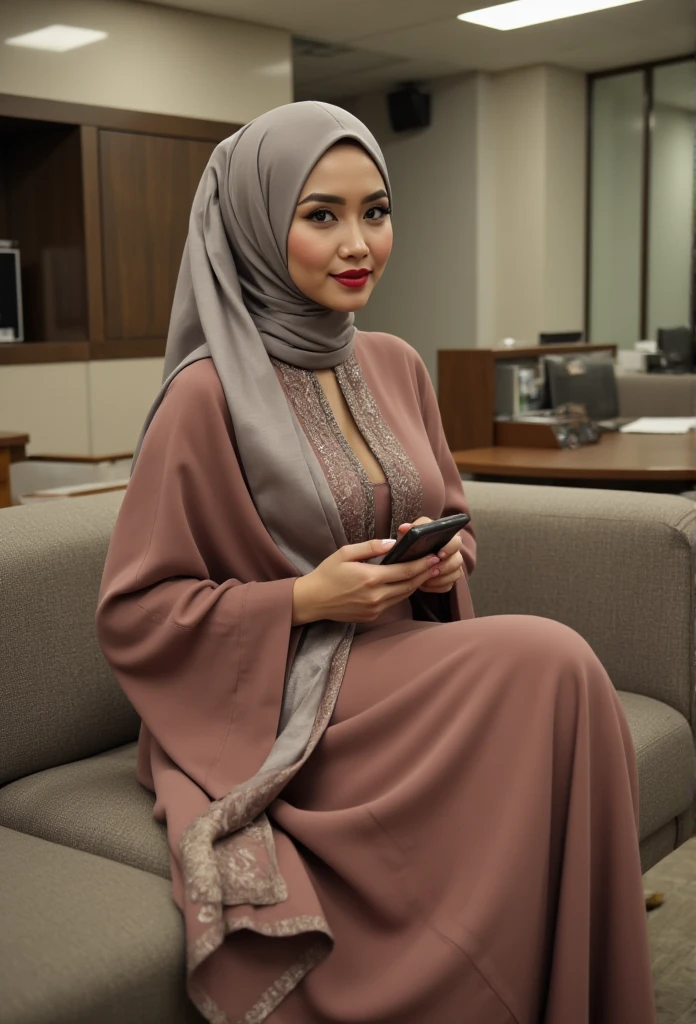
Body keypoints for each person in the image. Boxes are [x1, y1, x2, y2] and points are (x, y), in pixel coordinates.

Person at [95, 101, 655, 1024]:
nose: (359, 243)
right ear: (256, 226)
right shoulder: (204, 396)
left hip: (401, 666)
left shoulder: (397, 364)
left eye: (376, 211)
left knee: (561, 681)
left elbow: (455, 517)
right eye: (321, 215)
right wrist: (305, 598)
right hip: (283, 700)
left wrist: (443, 560)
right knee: (552, 665)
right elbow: (136, 612)